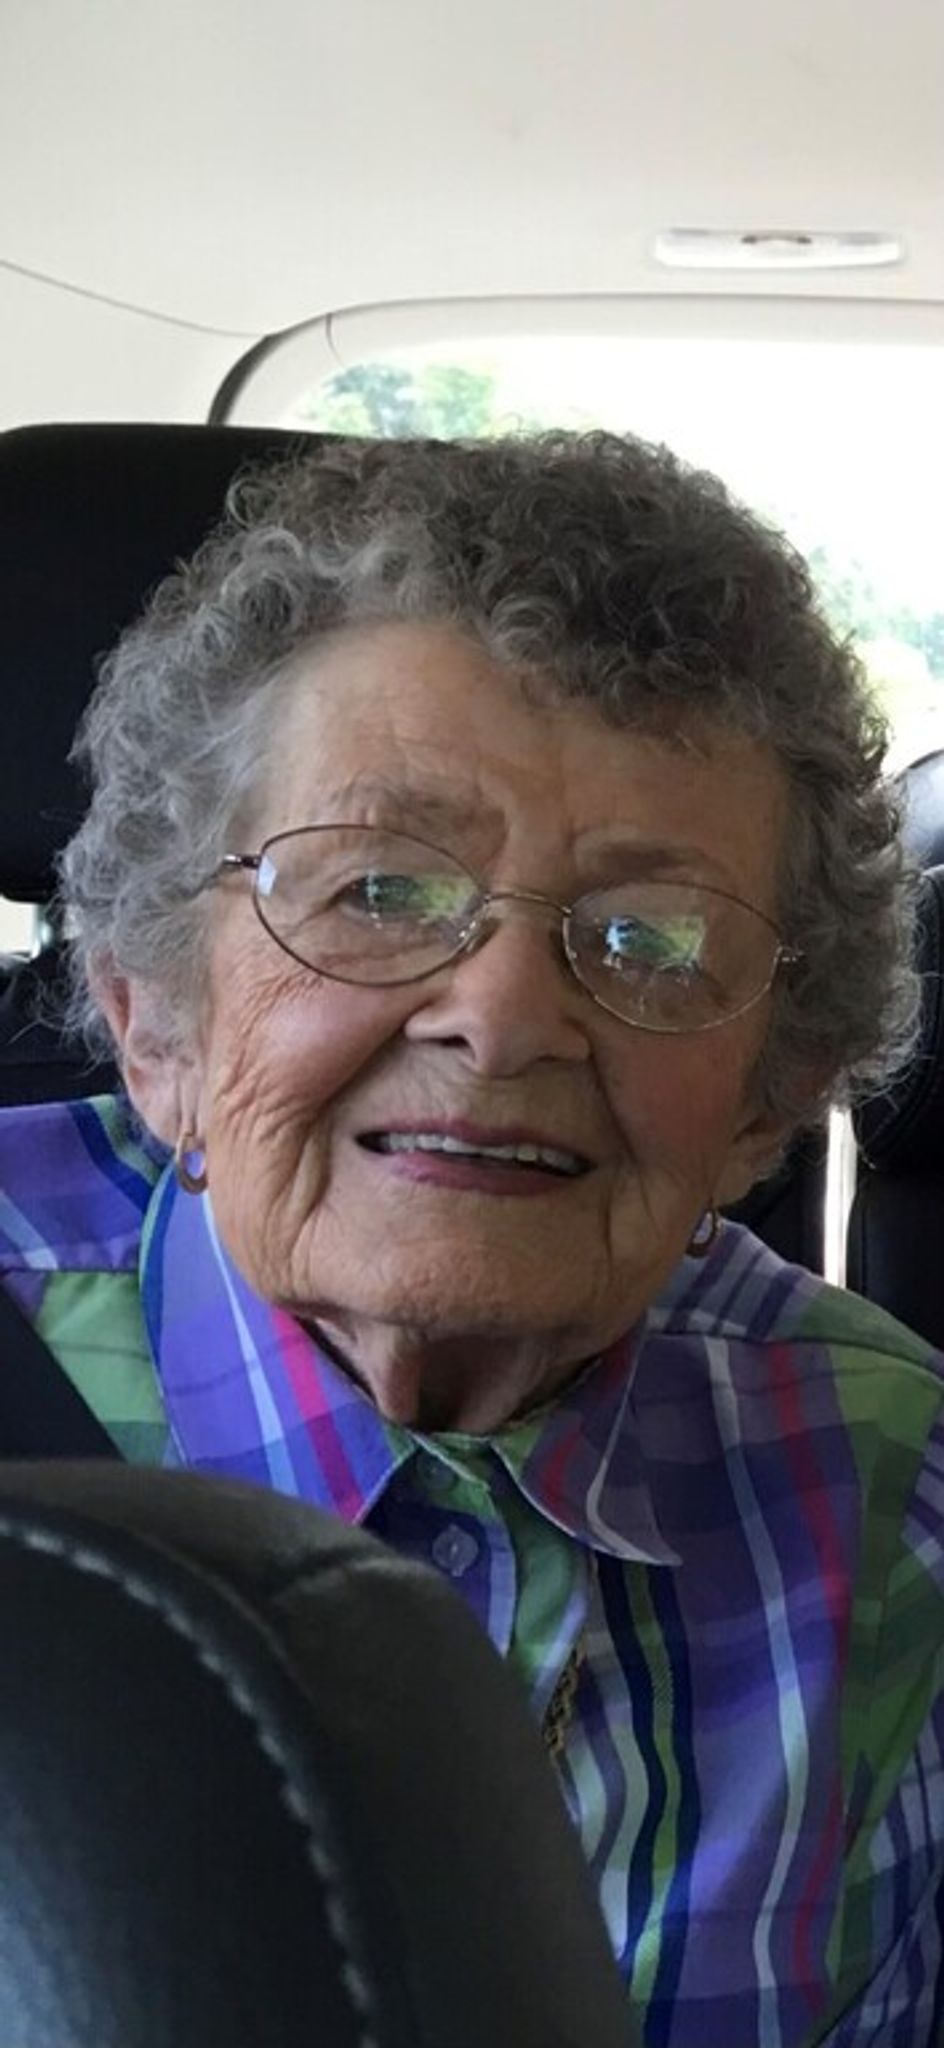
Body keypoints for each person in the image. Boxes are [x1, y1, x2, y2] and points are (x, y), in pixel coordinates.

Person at [1, 431, 941, 2045]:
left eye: (650, 936)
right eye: (376, 891)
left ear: (768, 1102)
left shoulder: (894, 1492)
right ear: (153, 1016)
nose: (502, 1020)